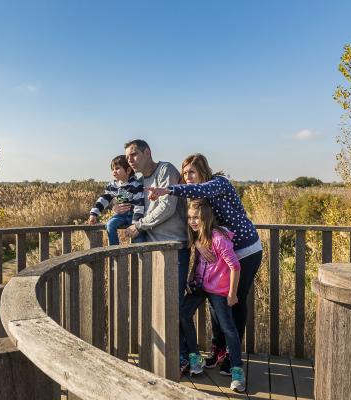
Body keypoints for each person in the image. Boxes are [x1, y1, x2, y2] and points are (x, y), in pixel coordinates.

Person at [148, 153, 263, 375]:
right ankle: (218, 349)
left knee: (235, 302)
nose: (187, 176)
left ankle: (232, 354)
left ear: (203, 171)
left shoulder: (218, 184)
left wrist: (169, 189)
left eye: (191, 171)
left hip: (246, 251)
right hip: (222, 255)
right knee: (215, 301)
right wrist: (200, 245)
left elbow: (200, 190)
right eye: (184, 172)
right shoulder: (197, 200)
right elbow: (201, 227)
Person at [112, 139, 190, 371]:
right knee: (157, 304)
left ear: (148, 152)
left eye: (134, 154)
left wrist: (140, 225)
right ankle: (165, 356)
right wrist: (116, 209)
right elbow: (124, 200)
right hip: (151, 250)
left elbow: (167, 206)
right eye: (128, 157)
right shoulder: (136, 180)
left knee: (174, 305)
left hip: (174, 247)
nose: (130, 160)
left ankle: (183, 356)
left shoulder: (165, 170)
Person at [182, 199, 245, 392]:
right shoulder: (198, 236)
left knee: (228, 329)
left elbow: (235, 266)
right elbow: (200, 261)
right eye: (190, 218)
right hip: (201, 286)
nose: (193, 221)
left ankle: (237, 370)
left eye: (197, 218)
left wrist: (232, 294)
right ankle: (194, 357)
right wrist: (191, 277)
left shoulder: (219, 239)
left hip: (219, 291)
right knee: (183, 313)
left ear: (206, 218)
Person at [88, 155, 145, 245]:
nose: (114, 172)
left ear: (128, 170)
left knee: (137, 235)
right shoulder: (112, 186)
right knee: (110, 225)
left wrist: (135, 223)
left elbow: (139, 205)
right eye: (112, 169)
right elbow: (103, 199)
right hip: (121, 215)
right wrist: (94, 214)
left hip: (134, 215)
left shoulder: (136, 185)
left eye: (117, 168)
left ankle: (141, 251)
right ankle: (114, 248)